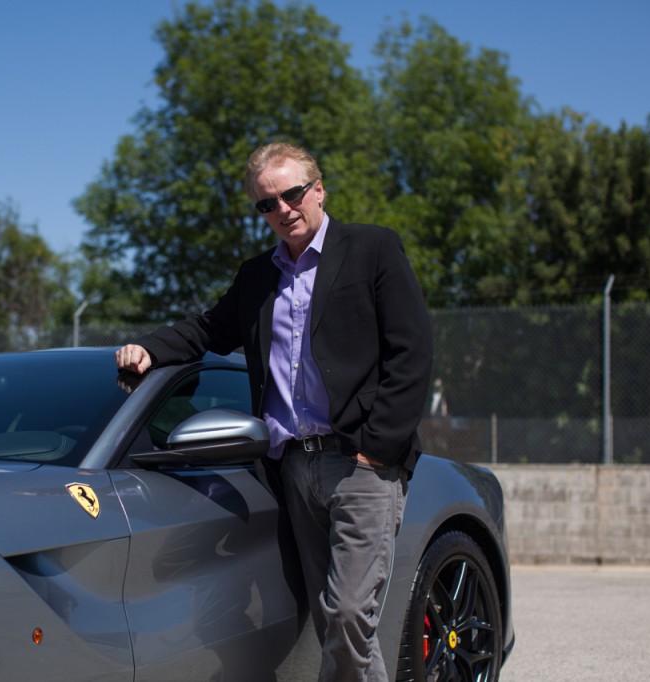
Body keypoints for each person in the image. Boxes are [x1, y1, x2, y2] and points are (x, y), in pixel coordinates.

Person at [116, 142, 432, 682]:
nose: (283, 210)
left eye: (292, 195)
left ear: (318, 189)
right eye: (267, 204)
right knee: (333, 620)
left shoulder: (372, 249)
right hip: (291, 469)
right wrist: (149, 347)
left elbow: (413, 351)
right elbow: (207, 331)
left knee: (349, 612)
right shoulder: (256, 277)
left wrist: (378, 449)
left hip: (359, 463)